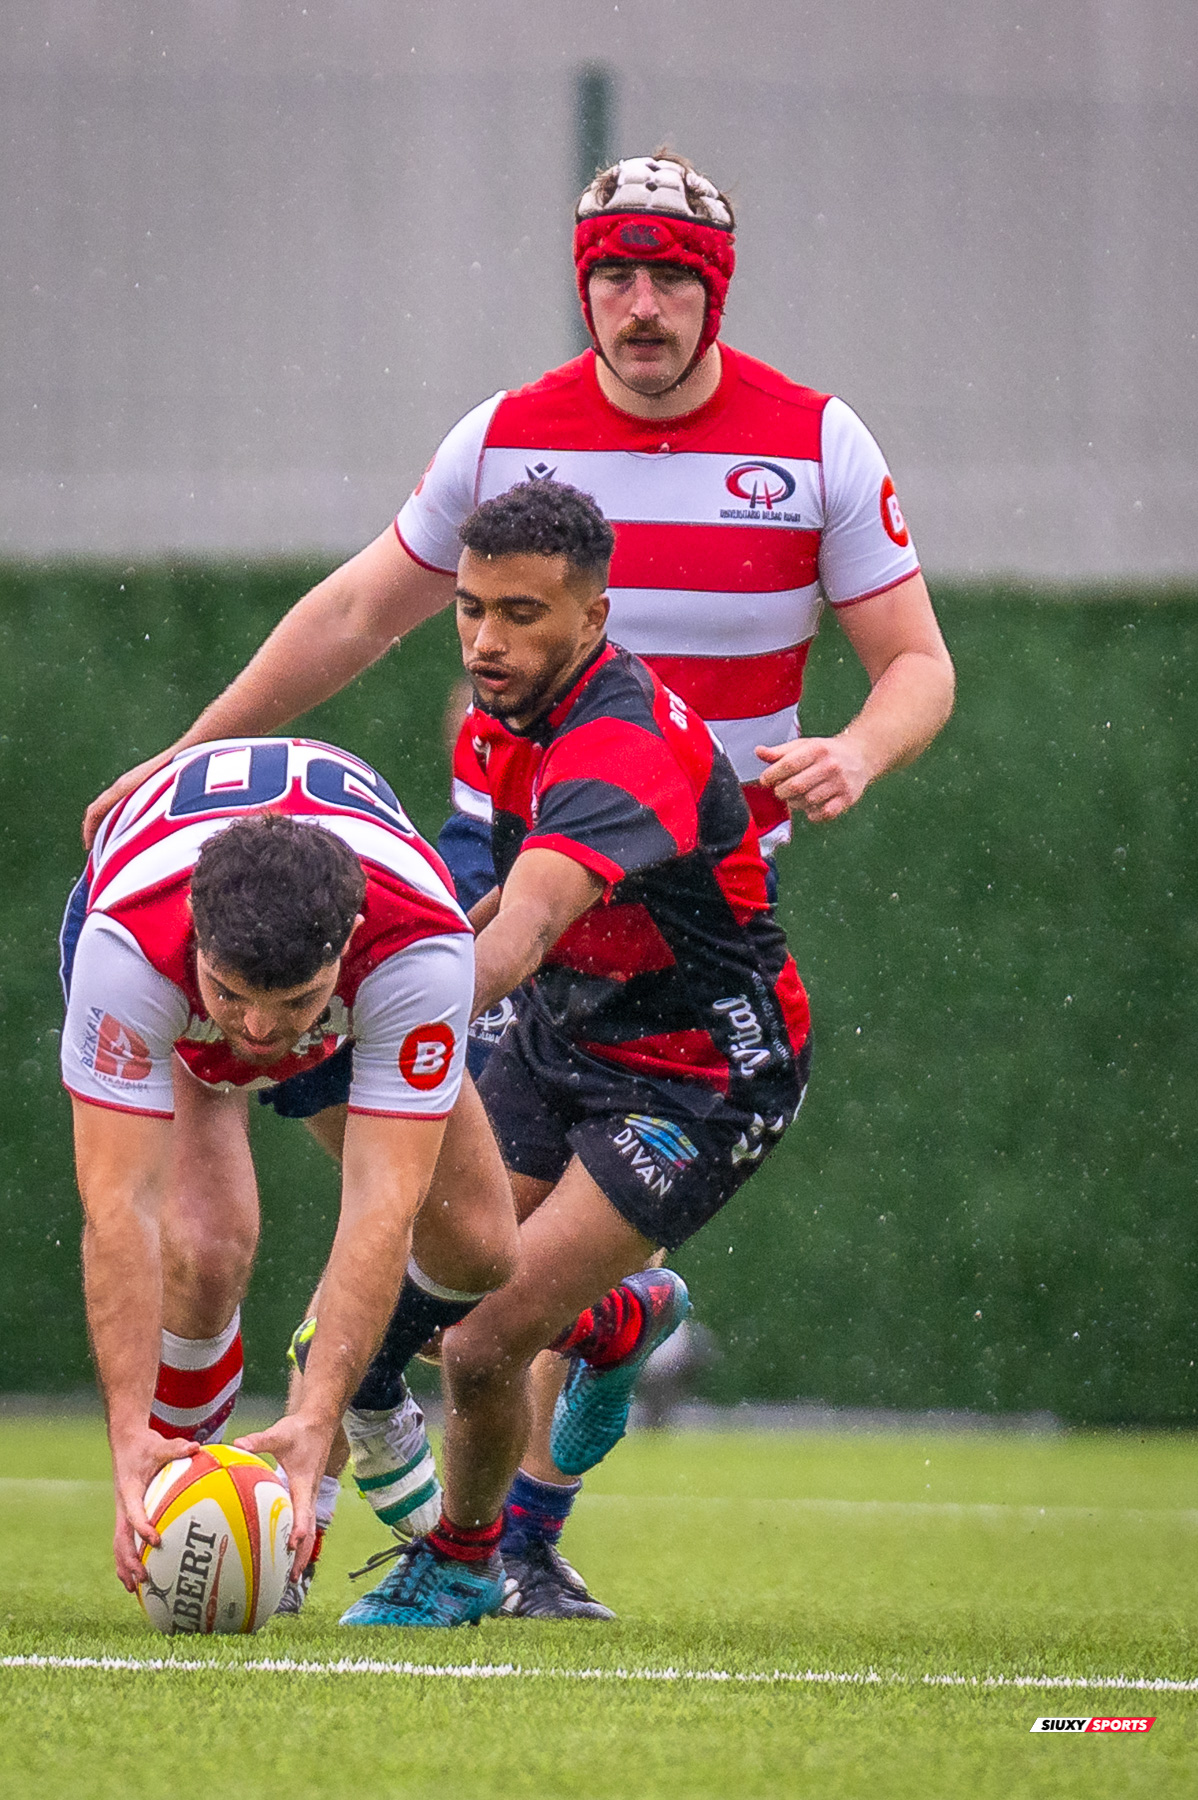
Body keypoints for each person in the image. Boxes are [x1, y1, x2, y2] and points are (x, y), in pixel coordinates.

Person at [81, 149, 955, 1613]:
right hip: (533, 916)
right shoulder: (505, 450)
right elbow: (360, 609)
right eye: (612, 272)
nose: (639, 302)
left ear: (713, 292)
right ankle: (593, 1341)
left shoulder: (813, 445)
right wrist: (188, 754)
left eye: (670, 275)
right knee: (463, 1257)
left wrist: (857, 752)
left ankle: (486, 1550)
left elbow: (917, 666)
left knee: (478, 1331)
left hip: (683, 962)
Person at [340, 478, 812, 1628]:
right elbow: (514, 896)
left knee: (481, 1342)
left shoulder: (619, 743)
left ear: (592, 620)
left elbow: (518, 936)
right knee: (447, 1268)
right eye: (468, 609)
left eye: (521, 613)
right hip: (566, 1034)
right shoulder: (503, 719)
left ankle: (461, 1560)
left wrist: (363, 1007)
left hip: (701, 1073)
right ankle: (613, 1320)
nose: (486, 640)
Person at [60, 736, 517, 1593]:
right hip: (161, 943)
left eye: (294, 1003)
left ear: (347, 941)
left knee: (483, 1244)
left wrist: (316, 1414)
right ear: (197, 930)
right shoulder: (130, 950)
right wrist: (129, 1429)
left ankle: (359, 1386)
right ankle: (172, 1503)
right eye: (232, 996)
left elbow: (383, 1202)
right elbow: (118, 1206)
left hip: (358, 982)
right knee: (203, 1250)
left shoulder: (420, 953)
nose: (261, 1034)